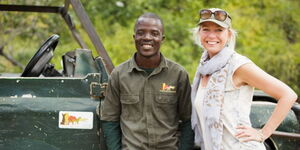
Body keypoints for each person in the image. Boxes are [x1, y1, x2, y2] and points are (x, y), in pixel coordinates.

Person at [191, 8, 298, 150]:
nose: (211, 35)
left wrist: (262, 134)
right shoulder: (204, 68)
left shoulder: (238, 65)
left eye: (218, 30)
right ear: (199, 33)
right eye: (206, 29)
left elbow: (288, 95)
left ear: (228, 35)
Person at [100, 12, 194, 150]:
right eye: (141, 33)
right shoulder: (119, 75)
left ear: (162, 38)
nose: (147, 38)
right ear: (134, 37)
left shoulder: (178, 75)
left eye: (154, 33)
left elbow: (188, 120)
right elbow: (109, 120)